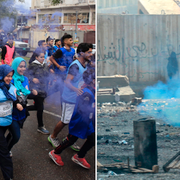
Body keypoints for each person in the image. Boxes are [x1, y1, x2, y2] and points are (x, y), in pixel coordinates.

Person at [48, 43, 93, 150]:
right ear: (81, 53)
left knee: (75, 121)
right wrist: (76, 89)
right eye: (89, 52)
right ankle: (52, 136)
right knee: (65, 120)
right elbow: (67, 82)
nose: (91, 54)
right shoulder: (75, 66)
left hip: (78, 99)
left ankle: (70, 141)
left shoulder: (85, 64)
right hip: (69, 98)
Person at [49, 68, 95, 169]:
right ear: (92, 80)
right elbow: (82, 109)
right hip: (80, 121)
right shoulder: (86, 93)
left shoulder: (91, 89)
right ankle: (55, 153)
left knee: (92, 139)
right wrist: (93, 107)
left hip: (87, 121)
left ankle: (80, 156)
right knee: (71, 139)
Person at [6, 58, 38, 154]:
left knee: (12, 134)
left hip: (22, 112)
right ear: (15, 67)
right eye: (20, 66)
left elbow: (25, 95)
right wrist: (16, 104)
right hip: (11, 112)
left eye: (24, 66)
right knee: (16, 136)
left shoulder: (25, 79)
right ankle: (6, 151)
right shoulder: (9, 79)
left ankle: (5, 149)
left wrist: (33, 93)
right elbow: (7, 96)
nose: (23, 69)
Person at [0, 65, 22, 180]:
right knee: (4, 155)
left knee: (17, 136)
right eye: (7, 76)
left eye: (10, 76)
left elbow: (15, 98)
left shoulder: (12, 87)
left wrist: (17, 103)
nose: (9, 78)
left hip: (8, 119)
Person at [27, 49, 51, 134]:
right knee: (40, 108)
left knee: (37, 107)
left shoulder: (45, 64)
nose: (42, 58)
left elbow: (47, 75)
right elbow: (26, 74)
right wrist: (32, 78)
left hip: (44, 89)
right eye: (41, 57)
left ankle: (22, 109)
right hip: (36, 89)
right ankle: (40, 126)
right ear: (36, 57)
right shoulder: (33, 65)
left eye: (43, 57)